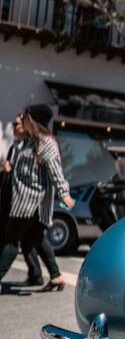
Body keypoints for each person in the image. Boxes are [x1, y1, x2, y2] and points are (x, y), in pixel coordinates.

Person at [0, 104, 74, 292]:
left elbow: (55, 170)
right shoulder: (31, 141)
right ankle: (56, 275)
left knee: (11, 239)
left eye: (25, 117)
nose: (22, 120)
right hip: (23, 199)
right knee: (37, 238)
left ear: (33, 120)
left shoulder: (47, 143)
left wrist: (64, 193)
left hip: (30, 201)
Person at [1, 114, 45, 284]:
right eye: (13, 124)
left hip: (24, 201)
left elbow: (27, 175)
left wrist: (8, 171)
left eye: (17, 124)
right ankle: (38, 275)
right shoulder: (14, 148)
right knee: (29, 239)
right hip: (11, 200)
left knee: (11, 240)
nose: (14, 127)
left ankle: (50, 274)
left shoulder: (32, 147)